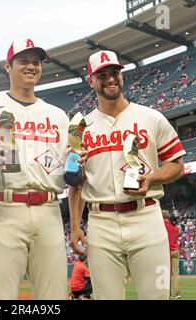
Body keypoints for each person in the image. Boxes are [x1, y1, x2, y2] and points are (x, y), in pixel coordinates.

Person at [67, 50, 186, 300]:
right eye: (102, 75)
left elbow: (177, 164)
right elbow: (75, 183)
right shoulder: (79, 128)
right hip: (101, 222)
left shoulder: (150, 117)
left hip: (147, 217)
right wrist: (76, 225)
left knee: (157, 297)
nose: (110, 79)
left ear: (121, 76)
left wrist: (152, 177)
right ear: (91, 80)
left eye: (115, 72)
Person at [0, 38, 69, 300]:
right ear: (7, 67)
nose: (31, 66)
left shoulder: (58, 115)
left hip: (49, 211)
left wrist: (79, 165)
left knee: (54, 297)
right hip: (4, 209)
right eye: (23, 61)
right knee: (1, 296)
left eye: (36, 62)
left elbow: (70, 169)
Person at [163, 209, 181, 300]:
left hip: (167, 251)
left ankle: (168, 294)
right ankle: (177, 293)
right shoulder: (176, 228)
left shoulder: (162, 226)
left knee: (167, 274)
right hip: (176, 250)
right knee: (176, 273)